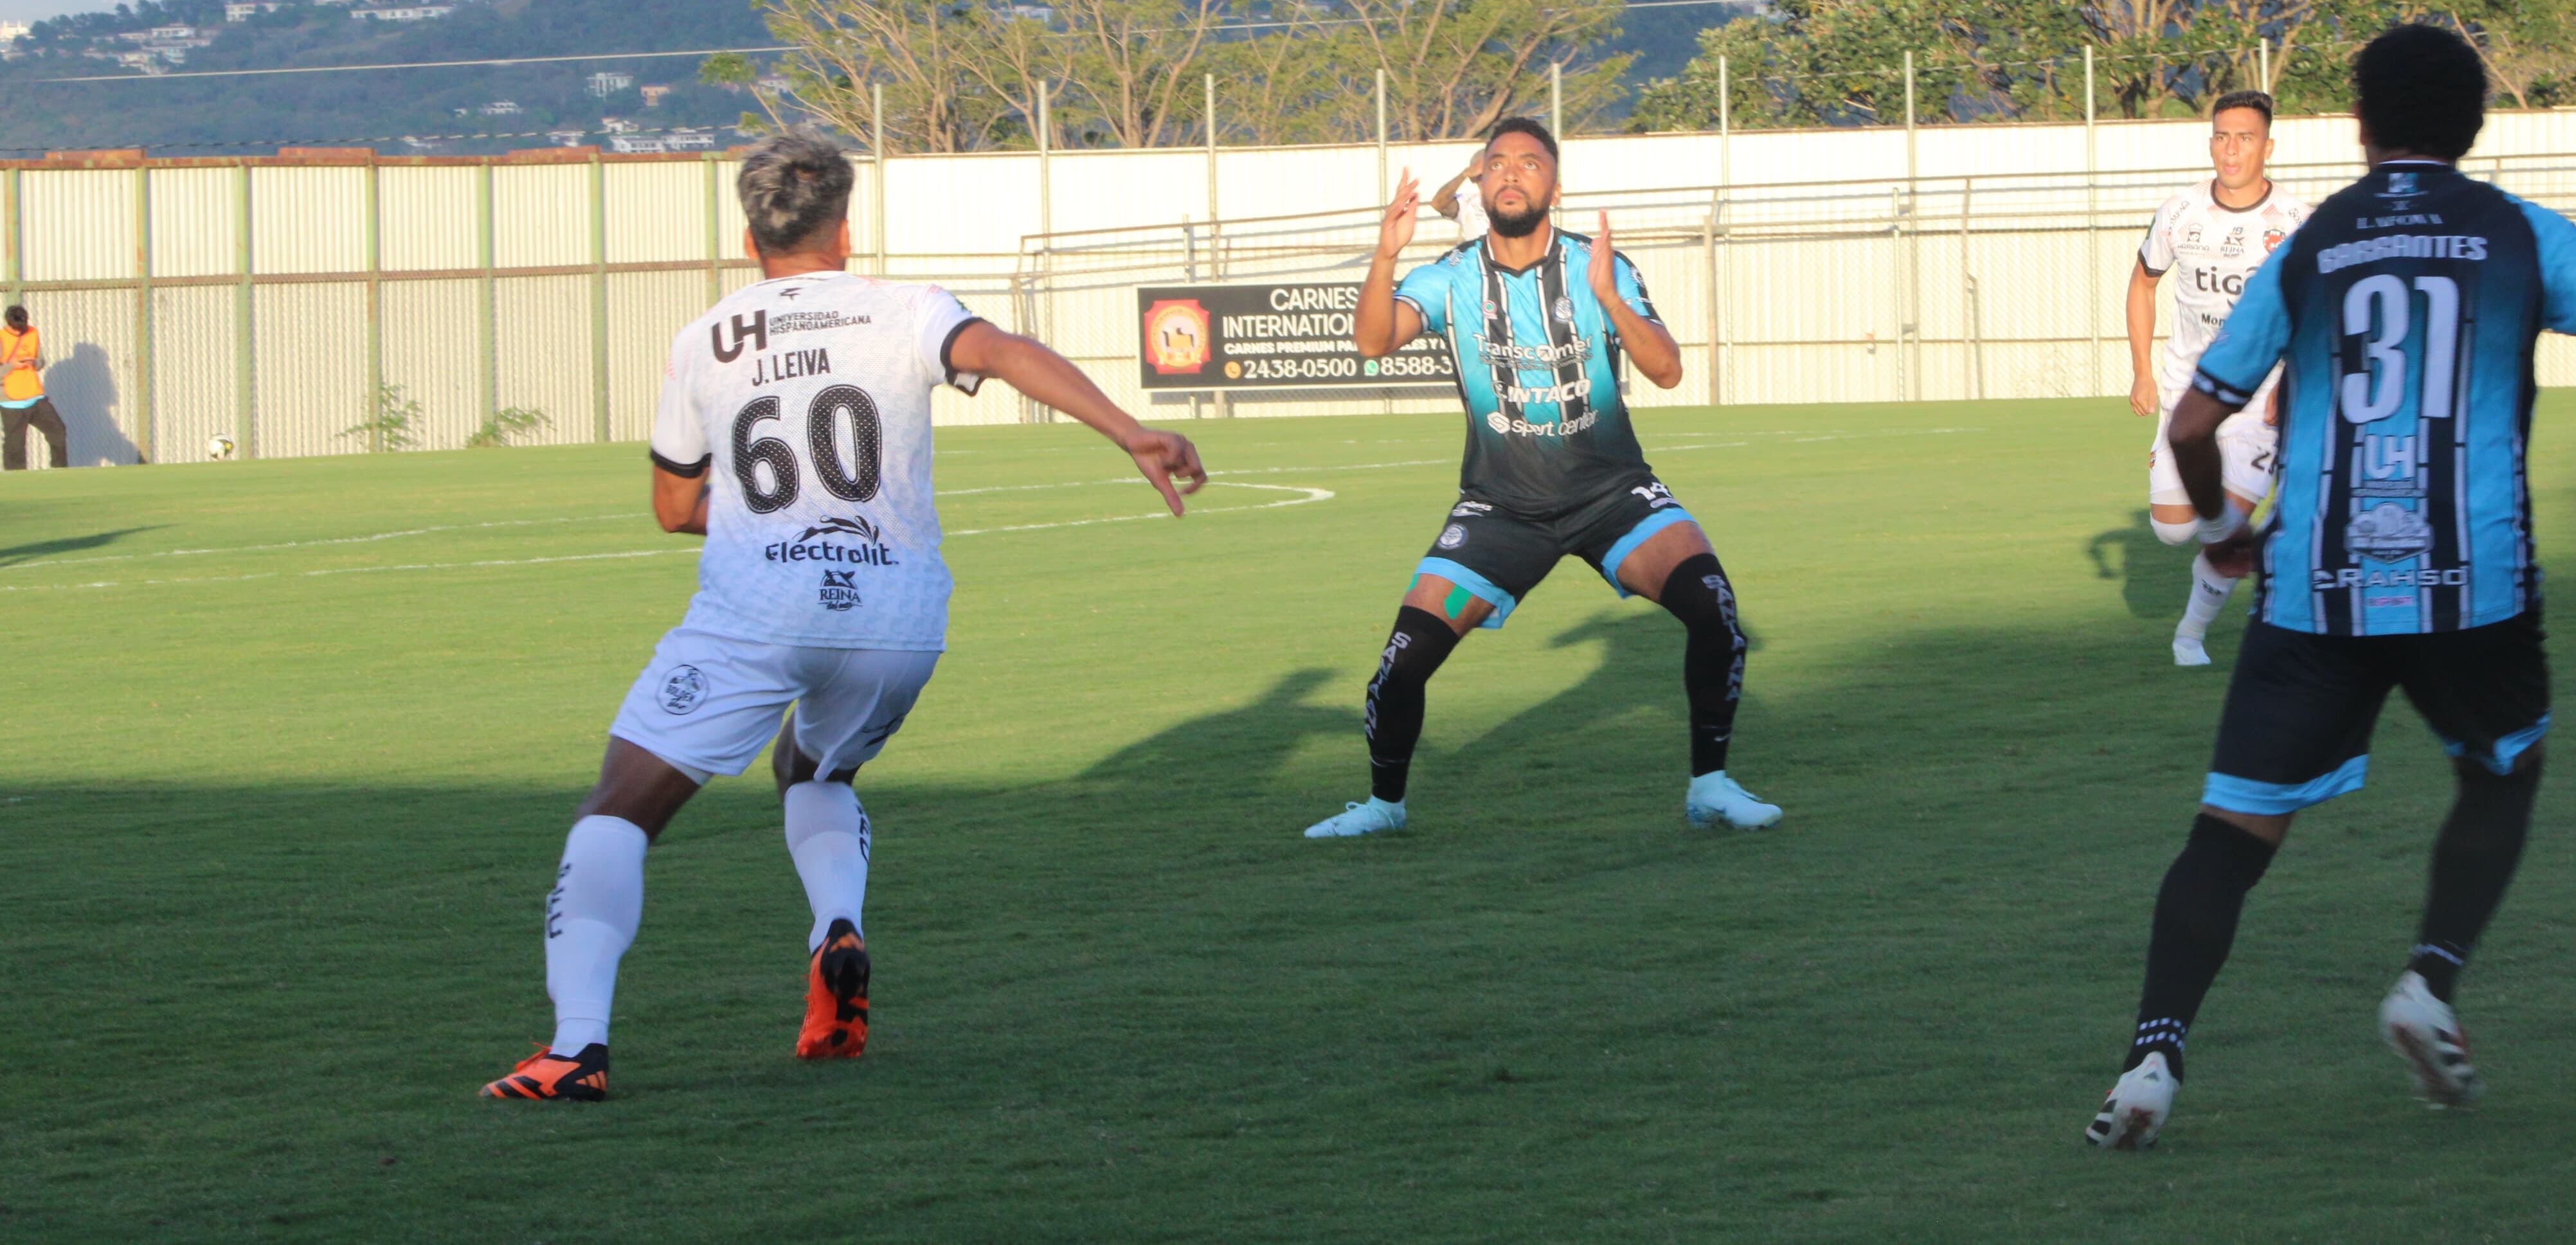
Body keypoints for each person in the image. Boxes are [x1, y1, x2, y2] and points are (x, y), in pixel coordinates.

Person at [483, 132, 1207, 1102]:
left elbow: (671, 508)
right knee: (814, 766)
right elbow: (998, 349)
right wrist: (1130, 429)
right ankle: (836, 927)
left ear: (750, 237)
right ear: (847, 228)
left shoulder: (705, 337)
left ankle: (576, 1049)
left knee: (616, 812)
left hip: (760, 605)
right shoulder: (907, 309)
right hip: (898, 614)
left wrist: (762, 516)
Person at [2085, 25, 2576, 1149]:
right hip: (2476, 579)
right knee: (2503, 770)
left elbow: (2198, 417)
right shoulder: (2520, 230)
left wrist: (2221, 532)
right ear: (2476, 122)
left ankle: (2153, 1054)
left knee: (2232, 829)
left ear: (2359, 125)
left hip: (2316, 585)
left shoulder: (2310, 245)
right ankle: (2428, 983)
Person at [1302, 116, 1780, 839]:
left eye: (1529, 163)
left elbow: (1668, 369)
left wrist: (1613, 302)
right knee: (1401, 665)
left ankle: (1709, 786)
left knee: (1714, 608)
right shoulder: (1451, 275)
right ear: (1480, 181)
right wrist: (1383, 256)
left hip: (1611, 494)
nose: (1511, 173)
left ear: (1555, 185)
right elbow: (1372, 341)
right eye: (1496, 163)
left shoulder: (1600, 266)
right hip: (1500, 509)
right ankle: (1382, 805)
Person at [2127, 91, 2312, 666]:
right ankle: (2221, 542)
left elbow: (2316, 309)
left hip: (2260, 400)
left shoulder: (2297, 221)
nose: (2231, 149)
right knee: (2173, 530)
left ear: (2268, 146)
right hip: (2189, 394)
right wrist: (2141, 371)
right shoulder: (2179, 212)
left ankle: (2189, 636)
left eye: (2245, 137)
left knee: (2229, 525)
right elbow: (2142, 283)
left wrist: (2292, 381)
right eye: (2222, 136)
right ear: (2212, 142)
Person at [1, 304, 69, 470]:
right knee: (15, 446)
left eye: (21, 328)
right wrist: (12, 366)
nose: (19, 331)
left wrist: (34, 363)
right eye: (15, 328)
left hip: (35, 396)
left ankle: (60, 471)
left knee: (58, 431)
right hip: (11, 402)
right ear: (8, 323)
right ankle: (17, 480)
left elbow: (41, 361)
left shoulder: (33, 333)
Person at [1430, 152, 1491, 243]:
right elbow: (1438, 204)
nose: (1486, 179)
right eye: (1480, 175)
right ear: (1473, 177)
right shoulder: (1468, 204)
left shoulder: (1516, 201)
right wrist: (1464, 175)